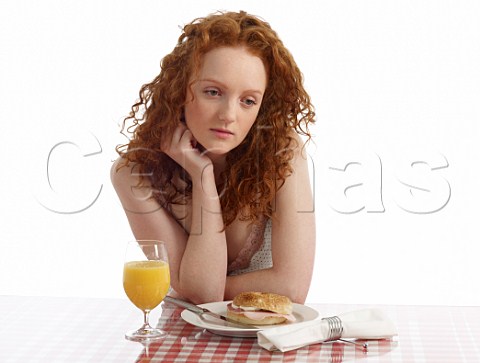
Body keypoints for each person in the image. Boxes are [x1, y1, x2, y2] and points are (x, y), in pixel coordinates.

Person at [111, 10, 316, 304]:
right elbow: (203, 293)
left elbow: (292, 288)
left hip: (266, 338)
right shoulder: (133, 173)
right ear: (180, 89)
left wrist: (195, 284)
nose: (228, 116)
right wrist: (202, 176)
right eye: (213, 92)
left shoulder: (282, 151)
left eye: (248, 101)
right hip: (182, 337)